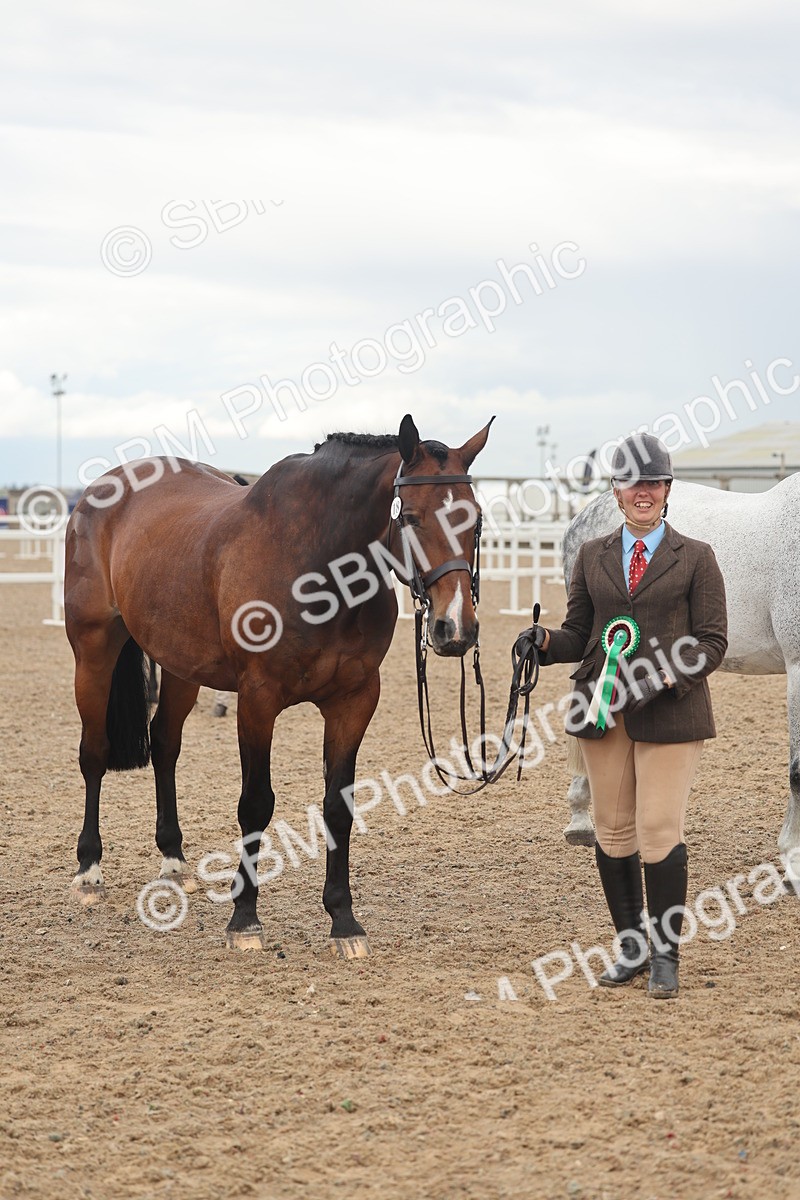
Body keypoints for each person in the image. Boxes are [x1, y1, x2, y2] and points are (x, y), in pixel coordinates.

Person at [531, 433, 728, 998]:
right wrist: (544, 642)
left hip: (669, 710)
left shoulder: (696, 557)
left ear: (667, 491)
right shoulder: (592, 555)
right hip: (602, 710)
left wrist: (670, 673)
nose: (642, 493)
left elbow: (713, 641)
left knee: (659, 830)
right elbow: (579, 634)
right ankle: (631, 948)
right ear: (616, 493)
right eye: (631, 484)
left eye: (653, 484)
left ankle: (666, 956)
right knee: (613, 833)